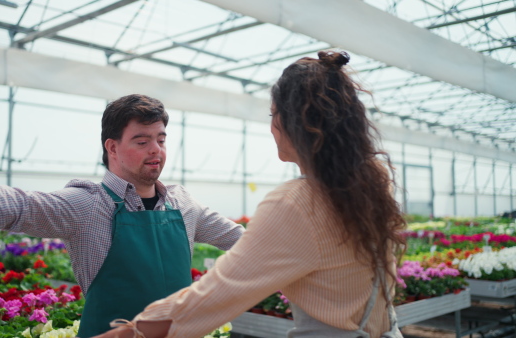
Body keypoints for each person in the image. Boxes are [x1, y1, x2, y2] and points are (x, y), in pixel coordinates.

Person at [92, 52, 407, 338]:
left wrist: (129, 333)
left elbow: (215, 294)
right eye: (142, 140)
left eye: (273, 115)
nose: (271, 127)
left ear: (290, 121)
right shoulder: (373, 179)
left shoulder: (297, 202)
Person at [0, 94, 245, 338]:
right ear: (112, 148)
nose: (156, 149)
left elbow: (245, 242)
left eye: (160, 140)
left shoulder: (184, 204)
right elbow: (15, 204)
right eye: (142, 141)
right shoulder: (89, 205)